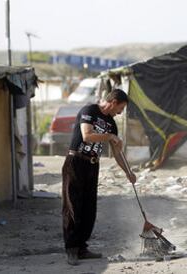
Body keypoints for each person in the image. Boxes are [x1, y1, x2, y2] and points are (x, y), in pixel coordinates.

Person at [62, 88, 137, 266]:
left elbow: (117, 153)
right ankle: (71, 250)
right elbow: (87, 136)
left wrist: (128, 172)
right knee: (73, 206)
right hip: (76, 162)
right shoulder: (89, 111)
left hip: (92, 165)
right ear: (113, 102)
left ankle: (82, 248)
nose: (120, 113)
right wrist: (110, 136)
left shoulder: (111, 123)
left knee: (89, 209)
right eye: (121, 108)